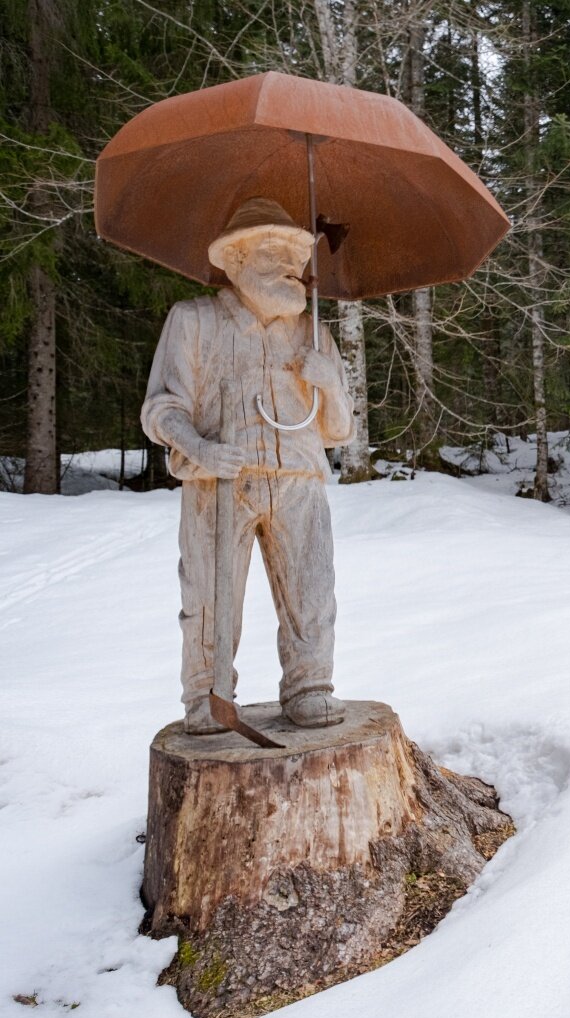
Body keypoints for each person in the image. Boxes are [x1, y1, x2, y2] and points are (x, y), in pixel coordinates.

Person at [142, 197, 354, 734]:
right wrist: (200, 449)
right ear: (234, 261)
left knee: (312, 592)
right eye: (274, 249)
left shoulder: (313, 334)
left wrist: (330, 383)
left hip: (299, 480)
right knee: (211, 599)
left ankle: (310, 686)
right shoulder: (194, 322)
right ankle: (207, 695)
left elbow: (337, 430)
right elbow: (161, 408)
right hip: (220, 481)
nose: (293, 264)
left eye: (298, 252)